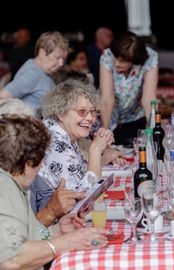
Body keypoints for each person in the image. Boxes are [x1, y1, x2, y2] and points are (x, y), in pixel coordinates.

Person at [0, 115, 108, 269]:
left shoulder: (11, 184)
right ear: (29, 164)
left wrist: (55, 232)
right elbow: (11, 259)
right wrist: (68, 242)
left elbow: (16, 237)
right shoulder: (4, 187)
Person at [31, 79, 115, 213]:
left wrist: (99, 148)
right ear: (61, 113)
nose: (90, 118)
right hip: (51, 220)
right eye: (82, 111)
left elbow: (80, 176)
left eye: (93, 112)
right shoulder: (53, 140)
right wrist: (95, 150)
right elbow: (81, 200)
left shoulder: (65, 132)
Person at [100, 31, 158, 146]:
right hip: (110, 117)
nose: (116, 63)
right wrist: (104, 135)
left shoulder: (150, 58)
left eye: (122, 60)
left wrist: (155, 131)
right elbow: (107, 99)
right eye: (116, 58)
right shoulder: (107, 56)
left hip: (135, 117)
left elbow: (148, 99)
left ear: (135, 61)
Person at [0, 31, 70, 109]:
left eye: (63, 59)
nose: (61, 63)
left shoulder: (43, 71)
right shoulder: (33, 73)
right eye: (57, 57)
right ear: (42, 53)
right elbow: (3, 95)